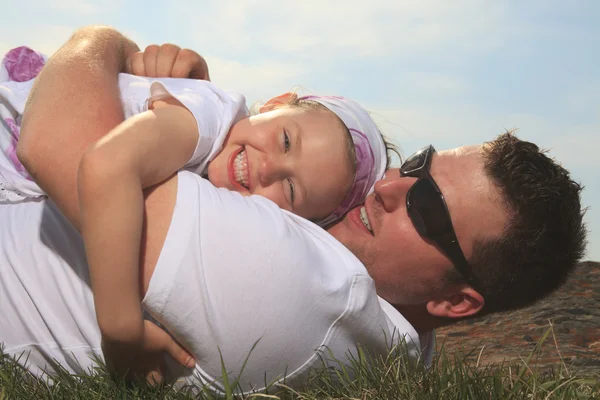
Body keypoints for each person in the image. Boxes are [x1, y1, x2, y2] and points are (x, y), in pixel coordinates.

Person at [0, 26, 586, 394]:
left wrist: (103, 44)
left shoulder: (294, 283)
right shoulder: (399, 345)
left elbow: (59, 145)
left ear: (455, 301)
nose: (387, 188)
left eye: (428, 208)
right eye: (417, 167)